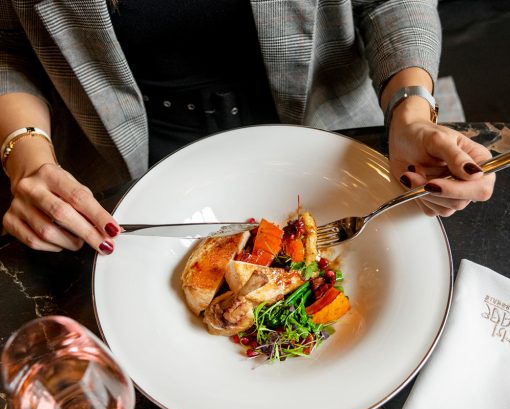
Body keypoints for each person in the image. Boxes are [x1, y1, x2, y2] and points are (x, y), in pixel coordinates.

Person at [0, 0, 495, 255]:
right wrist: (27, 157)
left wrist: (410, 109)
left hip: (328, 143)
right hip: (119, 169)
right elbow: (8, 45)